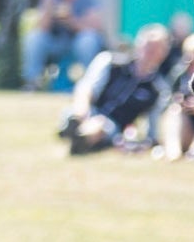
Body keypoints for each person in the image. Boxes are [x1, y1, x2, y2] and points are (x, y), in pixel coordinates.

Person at [57, 24, 172, 155]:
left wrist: (145, 141)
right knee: (78, 111)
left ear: (164, 53)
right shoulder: (110, 61)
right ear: (138, 44)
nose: (150, 52)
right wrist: (82, 113)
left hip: (113, 127)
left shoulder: (158, 88)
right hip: (88, 110)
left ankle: (80, 137)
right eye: (148, 46)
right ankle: (77, 128)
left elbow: (153, 128)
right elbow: (87, 88)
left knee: (101, 125)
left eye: (156, 49)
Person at [23, 0, 108, 90]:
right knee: (34, 38)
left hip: (78, 44)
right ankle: (32, 82)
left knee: (88, 39)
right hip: (56, 43)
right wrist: (48, 9)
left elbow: (96, 28)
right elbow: (41, 28)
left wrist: (71, 20)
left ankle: (91, 84)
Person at [156, 32, 194, 160]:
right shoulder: (179, 75)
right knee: (174, 111)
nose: (193, 60)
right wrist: (178, 102)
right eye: (190, 56)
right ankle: (173, 151)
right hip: (186, 125)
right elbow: (165, 101)